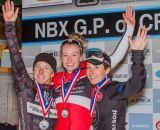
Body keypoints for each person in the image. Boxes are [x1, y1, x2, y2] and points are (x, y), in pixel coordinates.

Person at [53, 6, 135, 130]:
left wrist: (129, 29)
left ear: (81, 57)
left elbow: (116, 56)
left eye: (74, 55)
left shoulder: (89, 71)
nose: (69, 60)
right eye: (65, 55)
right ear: (61, 57)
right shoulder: (55, 78)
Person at [2, 0, 57, 130]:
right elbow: (16, 60)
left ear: (52, 73)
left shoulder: (58, 94)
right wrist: (9, 26)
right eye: (37, 67)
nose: (40, 71)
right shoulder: (27, 86)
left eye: (46, 68)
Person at [85, 26, 148, 130]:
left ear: (107, 70)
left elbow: (134, 85)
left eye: (96, 67)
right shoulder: (90, 89)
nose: (91, 72)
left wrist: (137, 55)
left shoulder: (112, 89)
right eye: (88, 67)